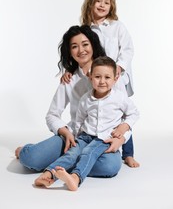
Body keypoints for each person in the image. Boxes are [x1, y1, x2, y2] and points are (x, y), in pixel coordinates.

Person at [15, 25, 128, 179]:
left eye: (85, 44)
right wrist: (65, 132)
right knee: (31, 159)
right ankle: (29, 151)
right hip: (74, 137)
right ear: (70, 51)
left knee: (109, 166)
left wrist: (121, 138)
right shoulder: (68, 79)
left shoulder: (111, 73)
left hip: (104, 140)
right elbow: (52, 115)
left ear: (93, 45)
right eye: (74, 46)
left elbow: (128, 116)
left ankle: (61, 164)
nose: (81, 50)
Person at [60, 0, 139, 167]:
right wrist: (69, 70)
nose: (102, 5)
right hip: (97, 78)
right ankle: (89, 143)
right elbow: (81, 52)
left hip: (115, 76)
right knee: (97, 108)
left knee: (122, 111)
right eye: (98, 1)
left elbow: (128, 49)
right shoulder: (86, 29)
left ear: (112, 6)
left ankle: (128, 153)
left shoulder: (117, 27)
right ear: (90, 4)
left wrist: (119, 66)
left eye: (106, 2)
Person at [34, 56, 139, 191]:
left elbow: (134, 113)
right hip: (84, 136)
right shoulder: (86, 99)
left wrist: (124, 126)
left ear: (115, 79)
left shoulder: (119, 98)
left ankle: (75, 178)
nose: (102, 81)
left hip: (104, 138)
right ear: (90, 77)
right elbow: (79, 120)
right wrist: (76, 138)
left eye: (107, 77)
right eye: (97, 77)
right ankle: (48, 175)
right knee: (71, 154)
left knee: (88, 153)